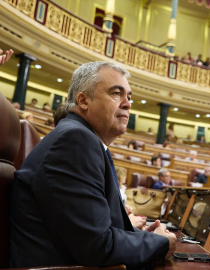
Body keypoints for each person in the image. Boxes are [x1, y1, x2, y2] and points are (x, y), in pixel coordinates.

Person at [9, 61, 176, 269]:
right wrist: (160, 242)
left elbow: (89, 232)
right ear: (83, 100)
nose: (127, 103)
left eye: (129, 96)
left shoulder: (82, 139)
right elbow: (98, 246)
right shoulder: (75, 140)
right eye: (116, 93)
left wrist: (131, 231)